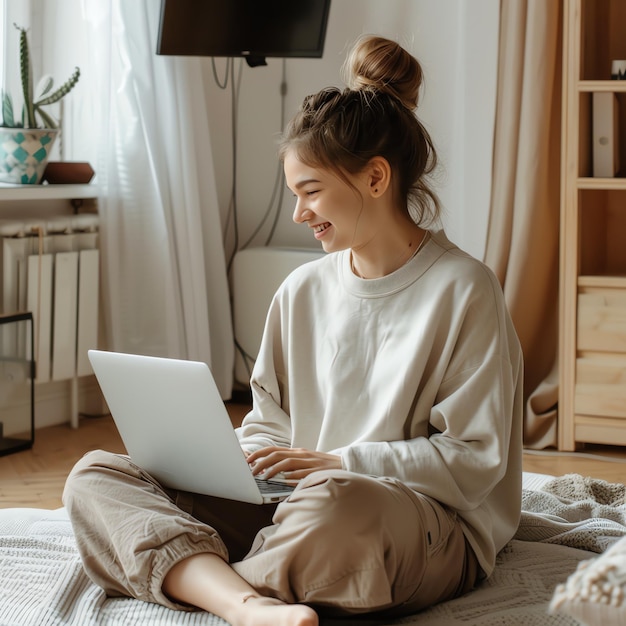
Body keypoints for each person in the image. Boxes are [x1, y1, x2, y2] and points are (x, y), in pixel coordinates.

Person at [63, 34, 523, 626]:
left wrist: (341, 462)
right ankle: (247, 602)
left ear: (376, 179)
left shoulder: (465, 290)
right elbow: (268, 421)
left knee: (340, 510)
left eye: (311, 191)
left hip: (412, 517)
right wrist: (237, 461)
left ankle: (202, 575)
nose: (299, 213)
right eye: (294, 194)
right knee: (96, 476)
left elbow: (473, 461)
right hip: (295, 507)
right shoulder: (302, 289)